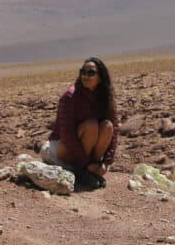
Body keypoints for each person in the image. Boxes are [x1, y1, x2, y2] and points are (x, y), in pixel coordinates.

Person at [40, 56, 119, 190]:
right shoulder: (70, 97)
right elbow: (67, 135)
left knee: (107, 126)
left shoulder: (105, 97)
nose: (85, 76)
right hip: (60, 148)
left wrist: (106, 162)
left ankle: (91, 169)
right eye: (83, 72)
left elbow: (115, 129)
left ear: (100, 77)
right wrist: (86, 163)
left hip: (82, 150)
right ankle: (83, 170)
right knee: (91, 125)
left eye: (91, 73)